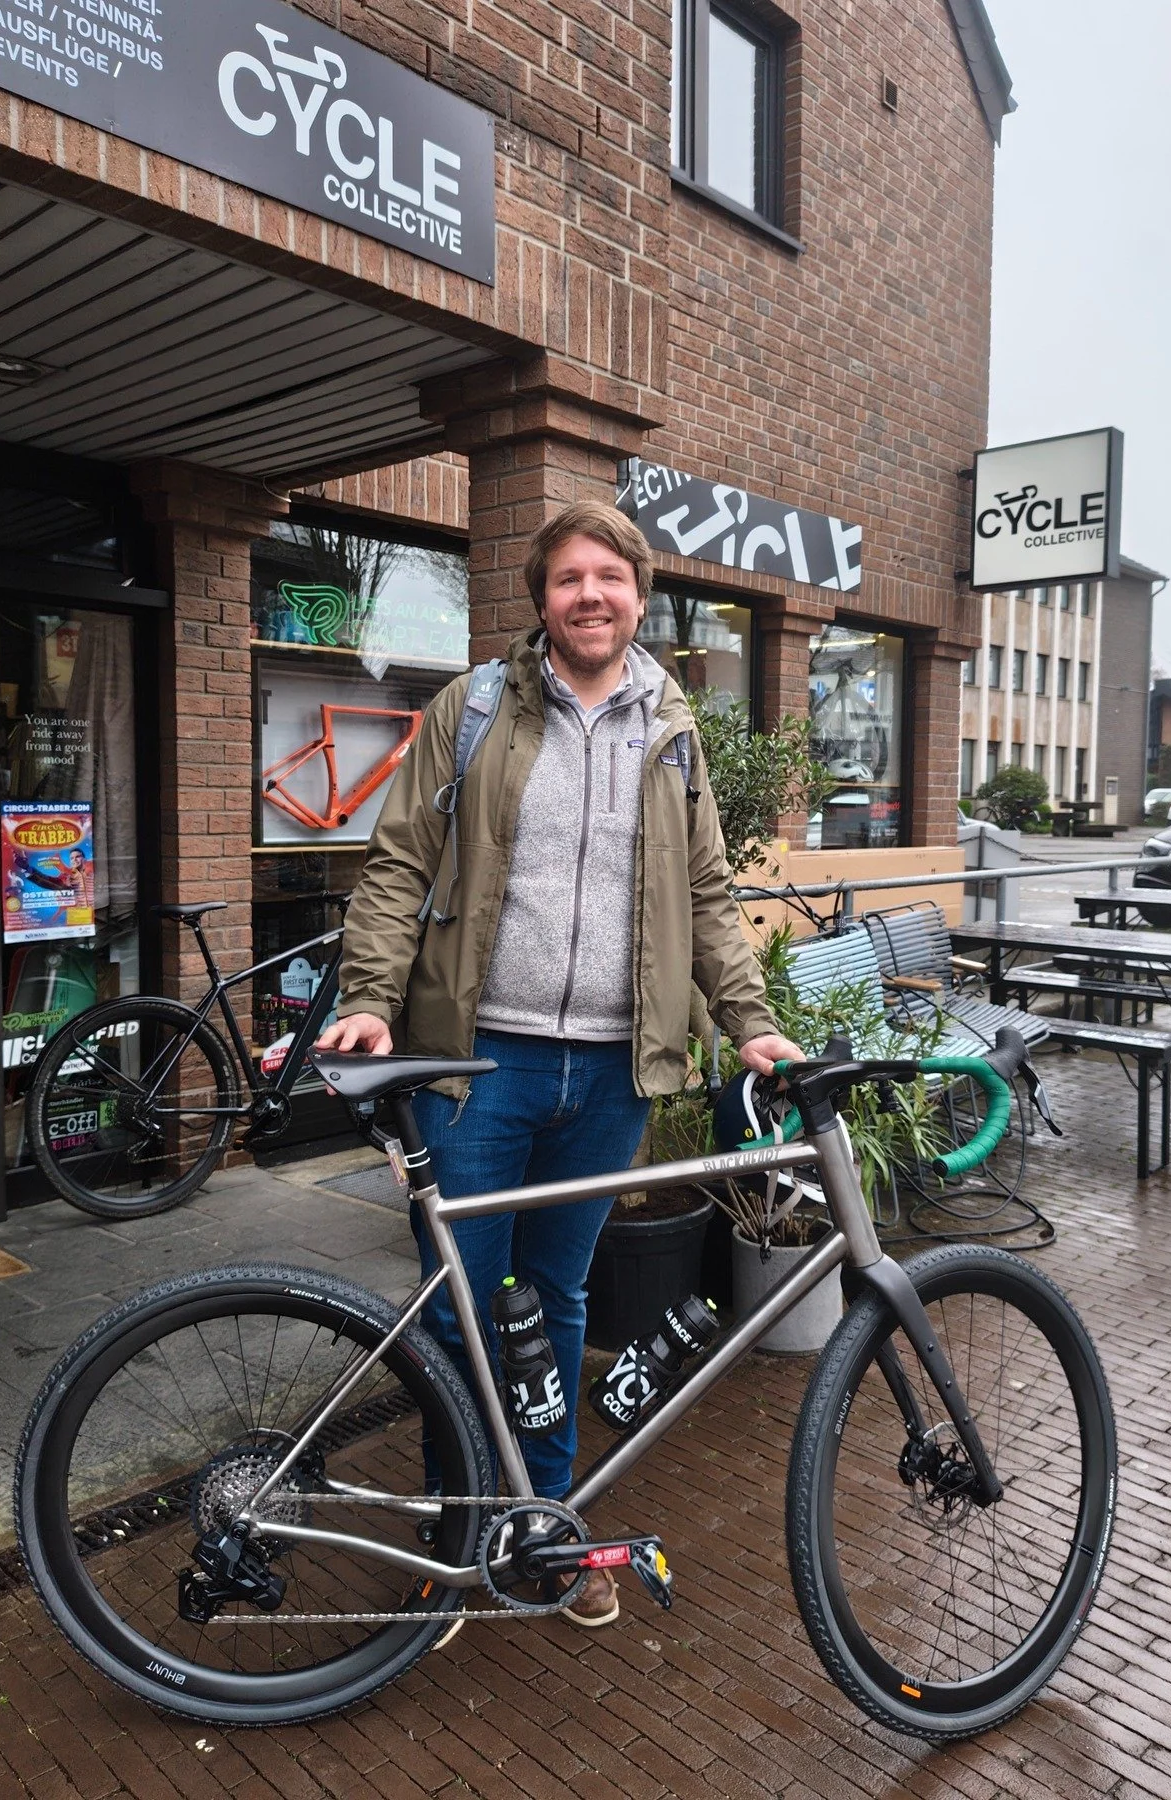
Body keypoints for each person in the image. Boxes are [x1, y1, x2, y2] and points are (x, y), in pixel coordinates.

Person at [316, 499, 802, 1626]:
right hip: (480, 1065)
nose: (592, 595)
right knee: (461, 1309)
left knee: (558, 1299)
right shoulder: (475, 708)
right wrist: (373, 1002)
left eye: (611, 577)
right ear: (541, 599)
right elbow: (398, 864)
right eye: (570, 577)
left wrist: (751, 1022)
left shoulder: (672, 730)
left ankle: (541, 1528)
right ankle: (458, 1529)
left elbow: (710, 896)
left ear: (640, 595)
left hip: (614, 1070)